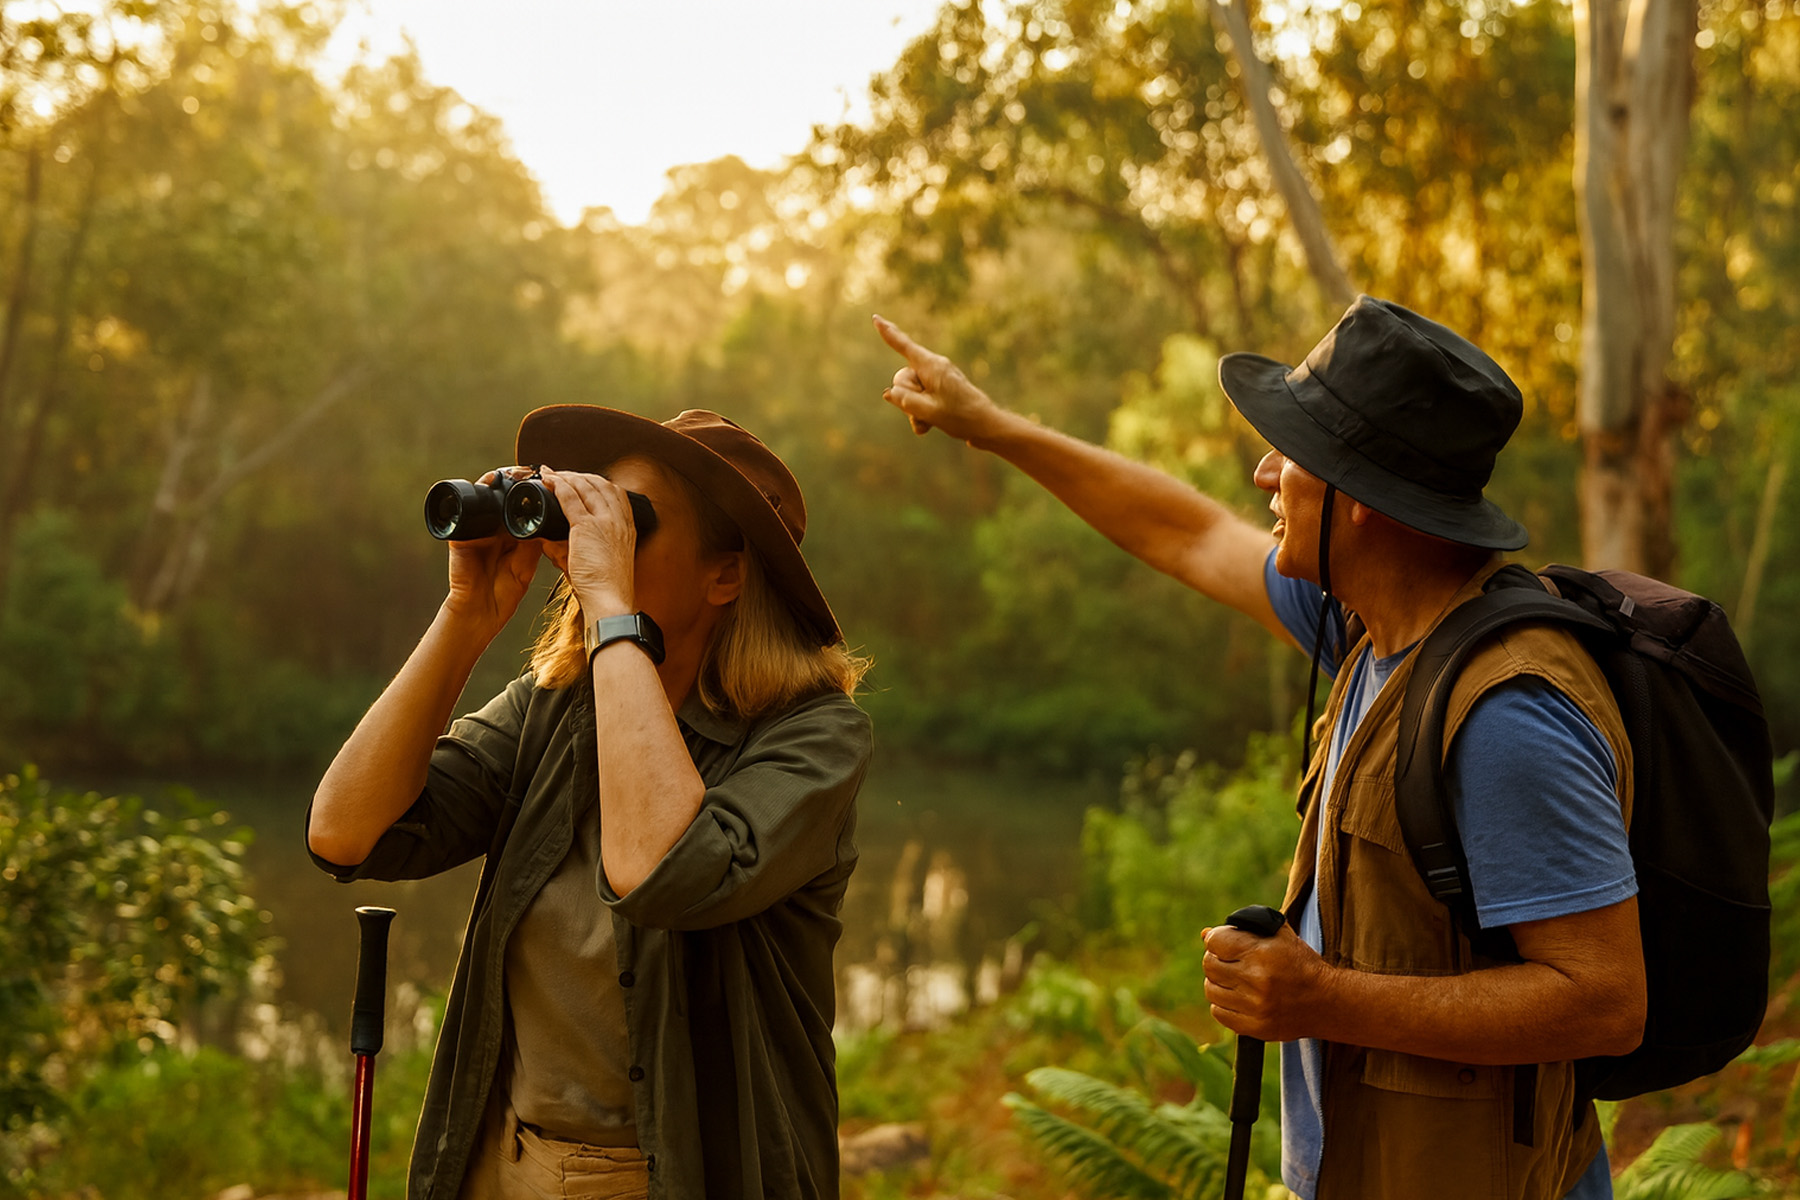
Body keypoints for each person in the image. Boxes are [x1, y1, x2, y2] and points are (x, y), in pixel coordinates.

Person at [872, 297, 1645, 1200]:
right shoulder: (1371, 628)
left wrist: (1323, 998)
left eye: (1294, 452)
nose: (1263, 472)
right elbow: (1188, 534)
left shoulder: (1506, 710)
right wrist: (990, 425)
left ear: (1361, 499)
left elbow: (1605, 1000)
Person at [307, 406, 873, 1200]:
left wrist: (610, 604)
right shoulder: (556, 707)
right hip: (502, 1161)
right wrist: (467, 613)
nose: (593, 544)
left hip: (679, 1177)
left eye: (630, 523)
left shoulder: (815, 737)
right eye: (594, 513)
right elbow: (346, 832)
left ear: (725, 576)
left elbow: (661, 871)